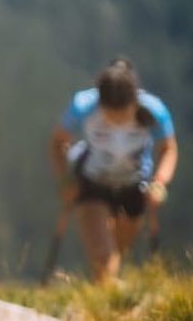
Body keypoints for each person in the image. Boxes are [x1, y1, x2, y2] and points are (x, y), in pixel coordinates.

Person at [49, 57, 177, 284]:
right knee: (103, 257)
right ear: (100, 102)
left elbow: (168, 148)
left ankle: (97, 293)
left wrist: (159, 183)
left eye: (123, 115)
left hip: (134, 184)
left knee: (119, 251)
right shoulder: (83, 106)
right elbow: (58, 142)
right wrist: (66, 180)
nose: (116, 122)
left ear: (135, 101)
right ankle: (102, 295)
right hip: (92, 182)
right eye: (110, 115)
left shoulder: (153, 110)